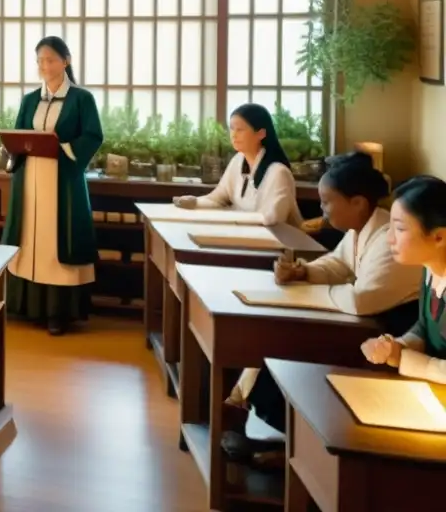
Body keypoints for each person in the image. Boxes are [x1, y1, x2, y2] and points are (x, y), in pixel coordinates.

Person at [222, 153, 421, 467]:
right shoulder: (360, 230)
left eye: (328, 202)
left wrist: (319, 288)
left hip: (385, 336)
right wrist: (304, 272)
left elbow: (361, 300)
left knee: (296, 344)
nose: (323, 209)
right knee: (282, 334)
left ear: (357, 203)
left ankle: (292, 441)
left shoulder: (386, 238)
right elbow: (339, 263)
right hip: (368, 325)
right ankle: (275, 433)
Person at [2, 36, 103, 336]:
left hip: (64, 182)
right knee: (29, 238)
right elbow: (19, 133)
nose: (44, 66)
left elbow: (93, 136)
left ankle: (58, 313)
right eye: (40, 61)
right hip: (29, 179)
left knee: (57, 241)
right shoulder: (30, 99)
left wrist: (64, 148)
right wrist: (12, 148)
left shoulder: (82, 99)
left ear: (66, 61)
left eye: (50, 59)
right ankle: (25, 307)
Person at [361, 175, 446, 384]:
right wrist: (395, 346)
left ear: (439, 237)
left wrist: (402, 358)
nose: (390, 238)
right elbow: (423, 329)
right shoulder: (429, 271)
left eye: (399, 229)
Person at [174, 103, 302, 226]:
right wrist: (194, 202)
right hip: (247, 236)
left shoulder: (278, 172)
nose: (234, 135)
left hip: (278, 242)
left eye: (240, 129)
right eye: (232, 129)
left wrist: (230, 217)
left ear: (261, 134)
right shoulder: (238, 160)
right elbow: (218, 198)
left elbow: (272, 219)